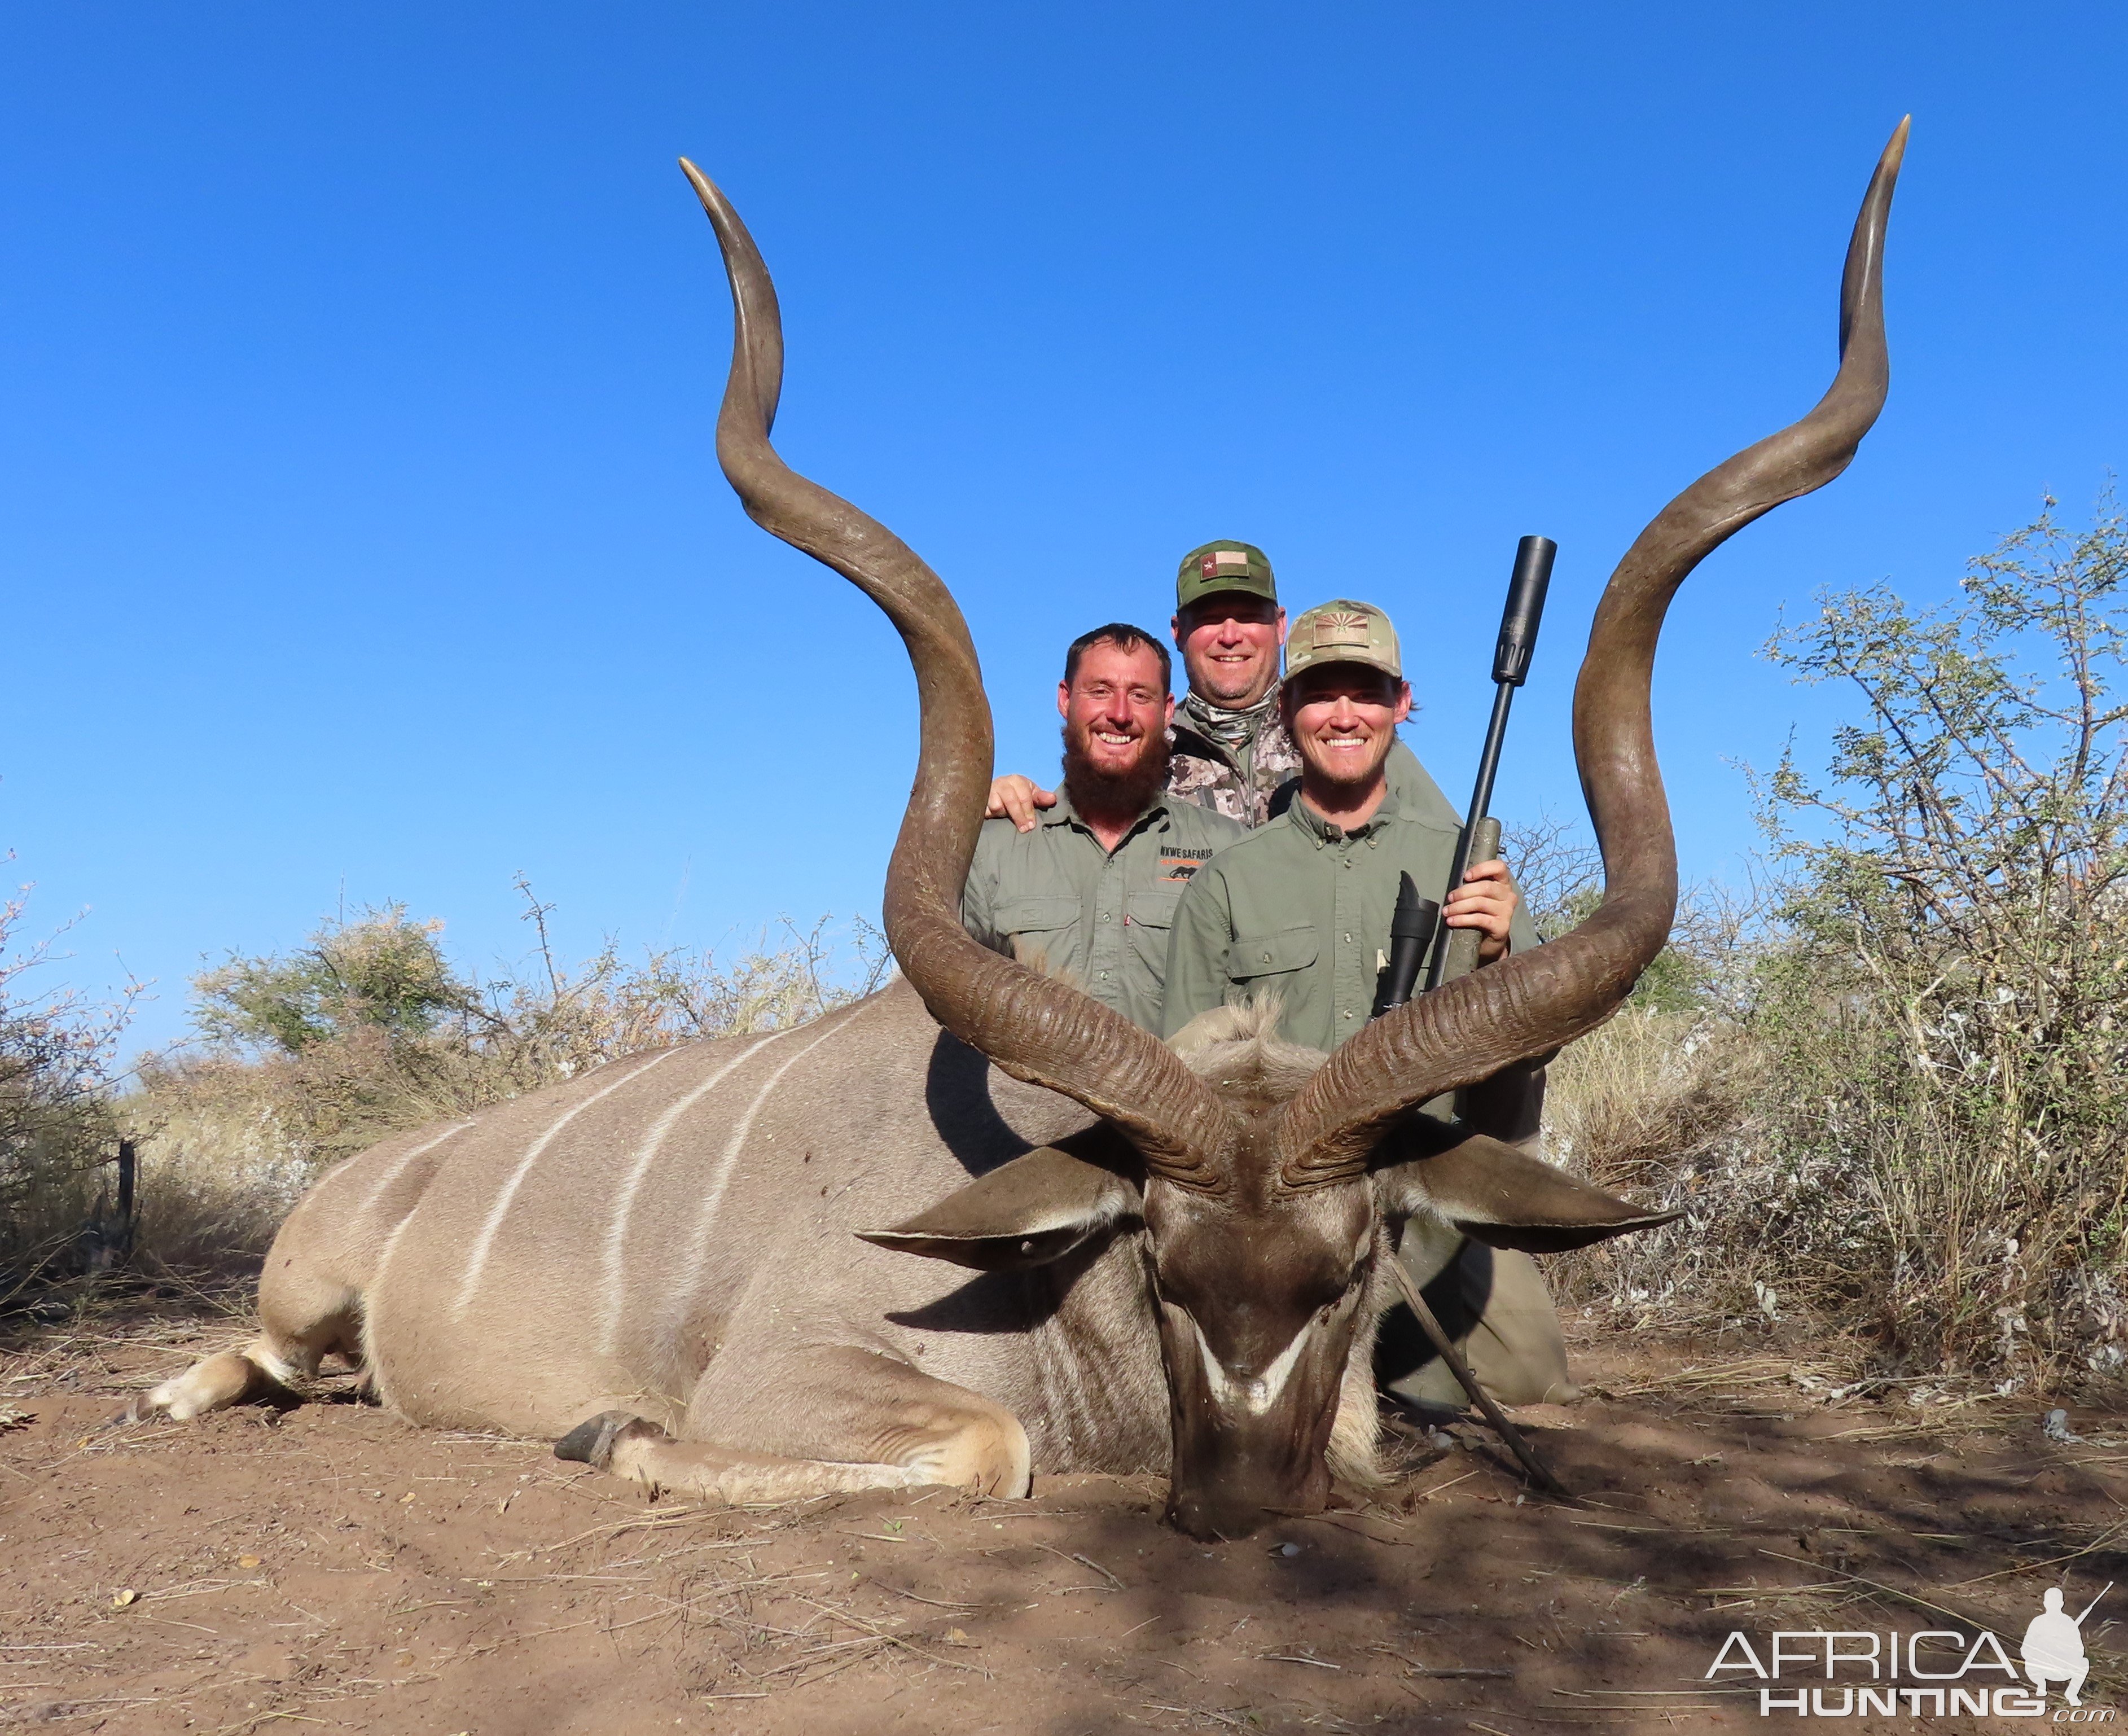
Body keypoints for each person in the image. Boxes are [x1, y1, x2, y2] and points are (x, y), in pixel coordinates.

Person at [1160, 597, 1573, 1407]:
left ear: (1401, 703)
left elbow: (1537, 1047)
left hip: (1422, 1173)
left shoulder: (1465, 864)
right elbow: (1184, 1076)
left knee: (1526, 1379)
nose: (1343, 715)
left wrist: (1498, 956)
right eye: (1320, 693)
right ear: (1287, 710)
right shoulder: (1226, 882)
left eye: (1366, 692)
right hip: (1278, 1206)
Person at [986, 541, 1465, 833]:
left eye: (1249, 618)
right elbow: (1073, 838)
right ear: (1177, 631)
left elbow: (1449, 858)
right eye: (1210, 620)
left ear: (1280, 626)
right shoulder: (1141, 740)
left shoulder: (1344, 736)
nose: (1230, 635)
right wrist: (1008, 800)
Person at [960, 623, 1245, 1033]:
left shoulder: (1226, 848)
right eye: (1099, 691)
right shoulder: (992, 848)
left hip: (1180, 1096)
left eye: (1139, 695)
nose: (1119, 714)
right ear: (1065, 698)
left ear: (1167, 710)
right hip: (1028, 1097)